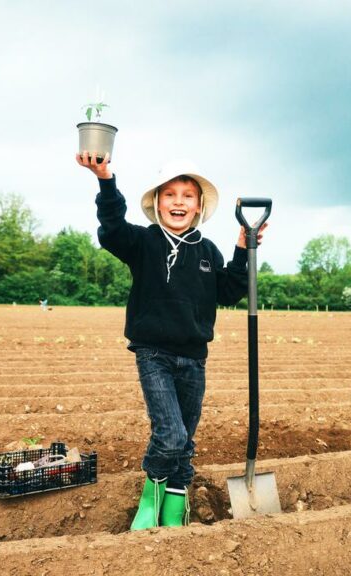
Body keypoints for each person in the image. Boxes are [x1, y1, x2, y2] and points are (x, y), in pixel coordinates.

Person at [76, 151, 266, 530]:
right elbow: (112, 228)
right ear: (157, 203)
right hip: (154, 355)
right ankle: (151, 497)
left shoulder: (207, 251)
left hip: (194, 359)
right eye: (170, 194)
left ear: (198, 207)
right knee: (171, 435)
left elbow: (228, 291)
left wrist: (245, 247)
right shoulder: (142, 243)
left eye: (187, 196)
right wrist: (105, 178)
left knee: (186, 439)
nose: (178, 202)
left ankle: (174, 504)